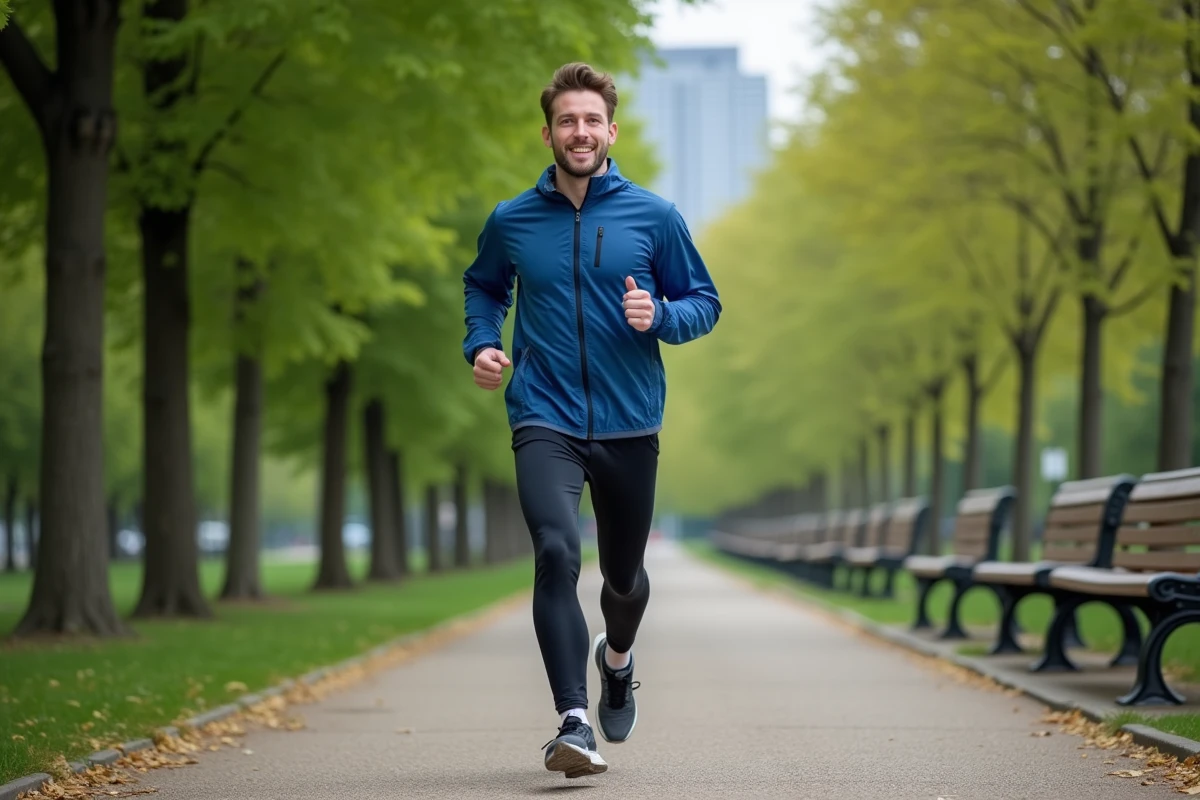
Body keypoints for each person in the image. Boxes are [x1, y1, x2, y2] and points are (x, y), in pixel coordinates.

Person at [462, 62, 721, 779]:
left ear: (610, 131)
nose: (580, 132)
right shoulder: (513, 220)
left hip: (630, 421)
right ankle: (574, 721)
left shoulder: (655, 217)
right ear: (548, 132)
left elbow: (705, 301)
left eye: (591, 121)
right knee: (554, 550)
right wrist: (482, 344)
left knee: (624, 580)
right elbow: (483, 287)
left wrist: (661, 315)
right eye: (566, 121)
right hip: (544, 413)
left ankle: (617, 659)